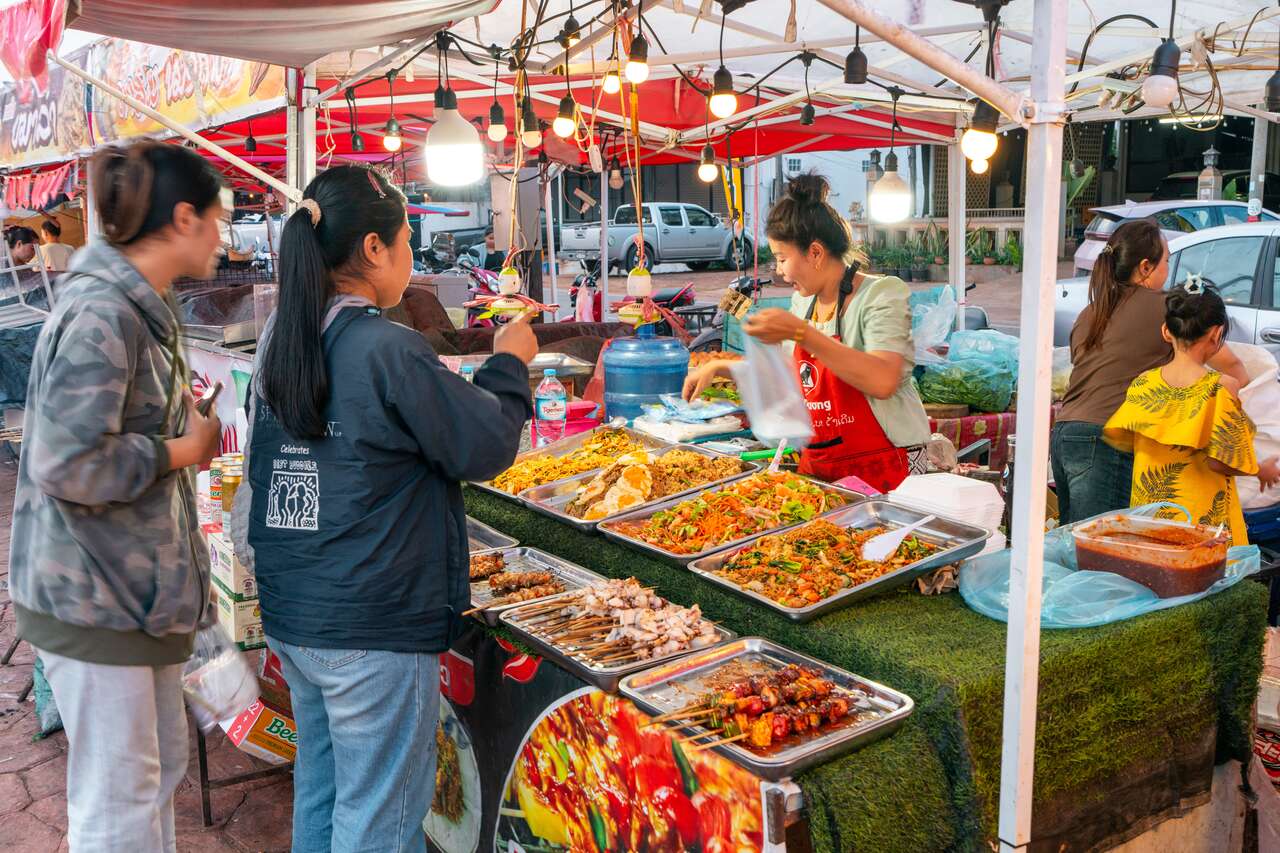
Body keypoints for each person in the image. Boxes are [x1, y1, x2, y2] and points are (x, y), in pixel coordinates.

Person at [242, 165, 536, 853]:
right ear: (374, 249)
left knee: (324, 789)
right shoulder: (384, 346)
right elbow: (485, 440)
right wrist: (508, 364)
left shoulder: (285, 335)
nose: (412, 256)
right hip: (368, 631)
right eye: (407, 239)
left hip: (297, 615)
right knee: (378, 819)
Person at [8, 141, 224, 851]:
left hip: (134, 594)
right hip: (94, 596)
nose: (225, 234)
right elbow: (64, 462)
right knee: (118, 804)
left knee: (150, 778)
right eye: (218, 218)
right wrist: (178, 450)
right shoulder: (107, 312)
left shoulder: (142, 305)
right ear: (185, 218)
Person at [684, 174, 930, 492]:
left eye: (783, 259)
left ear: (814, 253)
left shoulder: (882, 294)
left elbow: (883, 380)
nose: (782, 272)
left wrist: (802, 333)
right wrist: (722, 368)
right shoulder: (804, 302)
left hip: (889, 468)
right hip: (825, 468)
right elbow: (793, 378)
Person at [1052, 219, 1249, 524]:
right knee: (1100, 558)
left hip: (1065, 435)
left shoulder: (1089, 312)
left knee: (1072, 549)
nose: (1168, 271)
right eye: (1166, 262)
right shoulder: (1166, 309)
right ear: (1145, 267)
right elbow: (1231, 366)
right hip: (1103, 442)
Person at [1103, 283, 1279, 544]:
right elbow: (1221, 461)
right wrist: (1260, 469)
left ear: (1166, 331)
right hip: (1199, 525)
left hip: (1150, 521)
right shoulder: (1221, 389)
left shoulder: (1143, 384)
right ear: (1217, 334)